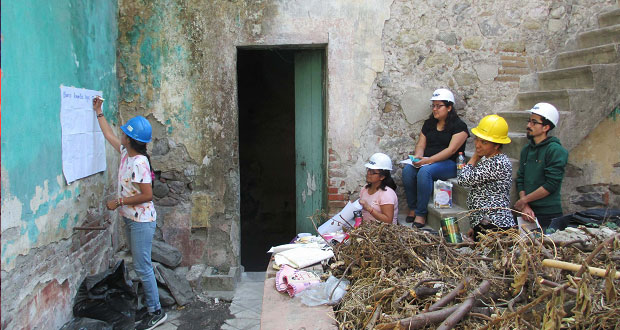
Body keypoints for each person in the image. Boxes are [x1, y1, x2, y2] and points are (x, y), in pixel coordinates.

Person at [93, 96, 167, 330]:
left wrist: (120, 202)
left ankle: (156, 311)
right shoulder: (127, 153)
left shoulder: (140, 163)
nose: (121, 135)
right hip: (132, 219)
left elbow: (147, 195)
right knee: (140, 264)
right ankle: (151, 306)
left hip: (141, 222)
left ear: (132, 139)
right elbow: (108, 135)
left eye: (125, 133)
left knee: (143, 266)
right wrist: (99, 112)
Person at [402, 88, 469, 228]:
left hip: (449, 163)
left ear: (449, 107)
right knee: (408, 170)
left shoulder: (459, 126)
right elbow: (421, 144)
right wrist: (418, 157)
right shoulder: (429, 124)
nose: (435, 109)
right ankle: (413, 208)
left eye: (439, 106)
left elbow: (451, 150)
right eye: (433, 105)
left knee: (425, 172)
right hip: (428, 161)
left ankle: (421, 214)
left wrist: (427, 161)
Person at [458, 115, 515, 240]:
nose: (477, 145)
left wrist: (473, 159)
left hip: (495, 226)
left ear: (496, 145)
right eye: (477, 139)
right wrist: (475, 225)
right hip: (485, 223)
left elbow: (463, 179)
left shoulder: (497, 163)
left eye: (484, 142)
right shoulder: (489, 159)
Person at [514, 103, 568, 231]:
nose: (528, 126)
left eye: (534, 122)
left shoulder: (555, 150)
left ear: (546, 127)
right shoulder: (526, 149)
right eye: (529, 121)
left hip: (548, 213)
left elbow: (551, 184)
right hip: (528, 212)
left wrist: (524, 200)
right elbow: (520, 178)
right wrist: (525, 204)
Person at [359, 153, 399, 225]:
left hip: (383, 231)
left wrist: (368, 208)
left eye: (373, 172)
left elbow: (388, 220)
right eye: (369, 170)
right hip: (367, 229)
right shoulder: (364, 189)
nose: (369, 174)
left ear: (382, 177)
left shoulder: (386, 194)